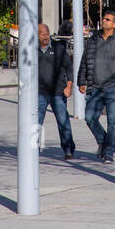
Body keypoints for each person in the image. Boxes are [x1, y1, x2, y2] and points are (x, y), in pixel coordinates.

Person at [77, 10, 115, 165]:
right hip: (95, 87)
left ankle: (109, 152)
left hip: (114, 88)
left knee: (113, 122)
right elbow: (85, 60)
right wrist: (81, 81)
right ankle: (103, 141)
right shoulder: (94, 39)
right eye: (103, 18)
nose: (104, 21)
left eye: (108, 20)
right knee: (90, 117)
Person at [38, 23, 75, 161]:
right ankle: (33, 148)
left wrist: (69, 86)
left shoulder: (58, 48)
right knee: (36, 122)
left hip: (58, 92)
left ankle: (68, 149)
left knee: (63, 121)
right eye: (43, 34)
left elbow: (68, 68)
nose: (46, 36)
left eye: (47, 33)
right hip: (40, 92)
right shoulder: (33, 50)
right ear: (37, 36)